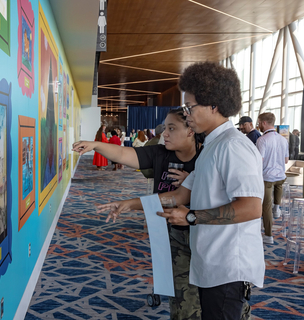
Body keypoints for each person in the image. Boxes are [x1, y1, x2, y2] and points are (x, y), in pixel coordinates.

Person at [91, 62, 263, 320]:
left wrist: (191, 216)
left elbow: (251, 207)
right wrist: (129, 204)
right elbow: (180, 196)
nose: (187, 114)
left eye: (190, 107)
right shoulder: (211, 148)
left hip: (228, 267)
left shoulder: (232, 147)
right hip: (211, 262)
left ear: (213, 106)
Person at [73, 108, 205, 319]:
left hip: (205, 234)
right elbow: (124, 154)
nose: (164, 134)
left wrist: (194, 181)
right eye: (165, 128)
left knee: (211, 297)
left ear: (191, 131)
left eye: (172, 128)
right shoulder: (160, 152)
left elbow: (184, 197)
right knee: (181, 297)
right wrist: (96, 145)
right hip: (170, 233)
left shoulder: (206, 158)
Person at [256, 112, 289, 244]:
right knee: (278, 186)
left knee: (266, 206)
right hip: (281, 176)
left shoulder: (262, 140)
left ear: (264, 123)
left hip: (267, 178)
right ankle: (277, 207)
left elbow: (259, 161)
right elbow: (286, 160)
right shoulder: (283, 139)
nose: (258, 125)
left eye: (259, 122)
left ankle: (268, 236)